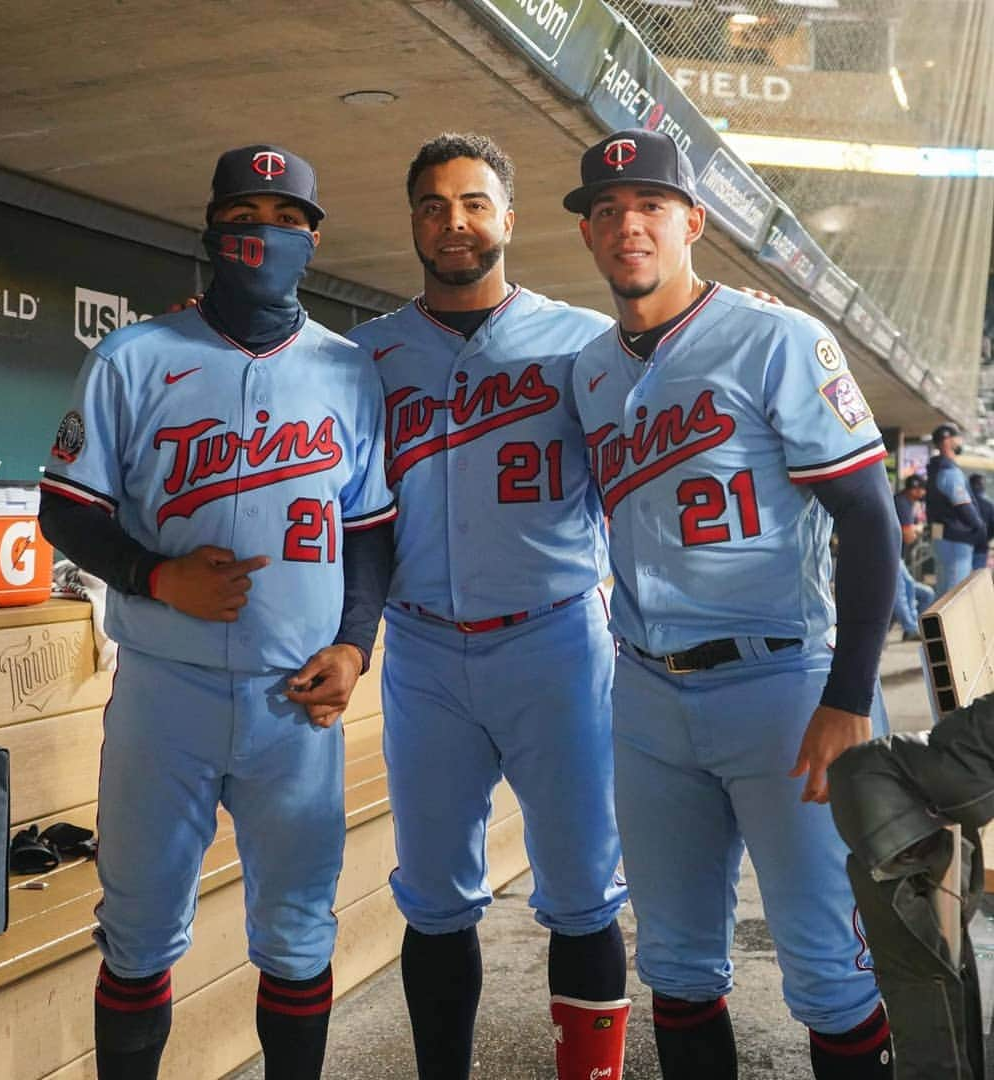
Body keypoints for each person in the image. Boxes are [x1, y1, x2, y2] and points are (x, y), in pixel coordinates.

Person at [38, 144, 396, 1080]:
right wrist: (156, 577)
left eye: (286, 219)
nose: (265, 235)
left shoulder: (350, 372)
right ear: (212, 228)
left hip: (296, 700)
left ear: (313, 239)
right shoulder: (134, 355)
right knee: (141, 929)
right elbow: (65, 508)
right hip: (167, 693)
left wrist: (357, 647)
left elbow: (370, 532)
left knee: (297, 933)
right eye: (245, 217)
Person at [566, 128, 898, 1079]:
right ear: (590, 235)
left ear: (692, 224)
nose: (629, 225)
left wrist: (847, 700)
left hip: (783, 687)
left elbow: (869, 523)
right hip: (647, 696)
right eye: (608, 211)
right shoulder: (588, 370)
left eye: (651, 207)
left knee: (830, 968)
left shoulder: (778, 336)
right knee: (673, 964)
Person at [345, 133, 630, 1080]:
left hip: (555, 639)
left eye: (473, 203)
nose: (453, 222)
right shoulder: (366, 356)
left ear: (507, 218)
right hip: (422, 649)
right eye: (433, 204)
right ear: (414, 222)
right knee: (432, 896)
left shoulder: (585, 341)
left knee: (586, 891)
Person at [926, 422, 985, 596]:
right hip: (955, 539)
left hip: (943, 536)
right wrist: (979, 527)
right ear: (946, 441)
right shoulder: (949, 471)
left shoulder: (935, 469)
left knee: (944, 593)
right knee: (954, 595)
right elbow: (963, 506)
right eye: (956, 437)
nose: (959, 441)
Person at [892, 473, 934, 640]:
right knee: (901, 591)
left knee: (917, 590)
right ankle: (910, 628)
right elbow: (908, 536)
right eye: (921, 489)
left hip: (897, 556)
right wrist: (917, 529)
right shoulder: (902, 503)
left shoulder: (904, 501)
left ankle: (912, 627)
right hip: (892, 555)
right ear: (914, 489)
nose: (923, 493)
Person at [967, 473, 994, 570]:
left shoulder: (963, 503)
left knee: (962, 581)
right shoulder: (989, 505)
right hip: (981, 547)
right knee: (976, 579)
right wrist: (986, 538)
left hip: (963, 545)